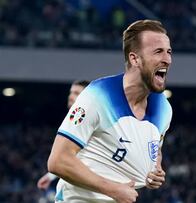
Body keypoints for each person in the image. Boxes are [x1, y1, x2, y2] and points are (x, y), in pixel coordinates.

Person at [47, 19, 172, 203]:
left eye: (169, 52)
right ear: (134, 58)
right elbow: (57, 160)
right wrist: (112, 189)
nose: (167, 59)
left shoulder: (164, 109)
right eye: (158, 52)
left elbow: (154, 148)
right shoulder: (98, 95)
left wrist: (156, 169)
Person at [37, 80, 90, 190]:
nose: (70, 96)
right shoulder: (74, 119)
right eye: (71, 92)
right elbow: (72, 154)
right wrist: (50, 176)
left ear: (87, 96)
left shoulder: (89, 120)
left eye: (76, 93)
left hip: (88, 189)